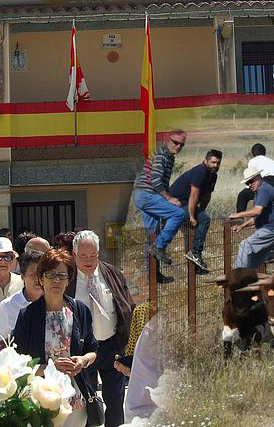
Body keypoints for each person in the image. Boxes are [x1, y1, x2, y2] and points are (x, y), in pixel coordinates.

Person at [12, 248, 98, 427]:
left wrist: (82, 360)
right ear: (41, 279)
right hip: (40, 397)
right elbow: (18, 364)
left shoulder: (80, 311)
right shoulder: (27, 315)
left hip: (75, 397)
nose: (56, 280)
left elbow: (93, 349)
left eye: (62, 275)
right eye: (51, 275)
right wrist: (51, 368)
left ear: (69, 280)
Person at [70, 231, 136, 427]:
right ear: (74, 255)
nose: (89, 261)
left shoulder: (111, 274)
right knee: (87, 401)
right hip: (83, 351)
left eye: (93, 255)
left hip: (111, 345)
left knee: (115, 400)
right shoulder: (68, 279)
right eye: (83, 256)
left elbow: (127, 305)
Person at [133, 130, 187, 283]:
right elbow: (156, 180)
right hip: (147, 194)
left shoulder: (168, 156)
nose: (178, 146)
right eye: (175, 142)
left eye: (181, 144)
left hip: (143, 195)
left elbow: (162, 182)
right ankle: (159, 247)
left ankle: (153, 275)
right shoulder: (162, 154)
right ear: (167, 140)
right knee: (178, 214)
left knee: (152, 234)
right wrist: (169, 199)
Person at [169, 149, 221, 270]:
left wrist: (200, 211)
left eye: (218, 163)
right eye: (213, 162)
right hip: (176, 203)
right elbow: (194, 195)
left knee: (198, 224)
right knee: (205, 220)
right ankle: (195, 252)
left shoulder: (213, 175)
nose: (216, 165)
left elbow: (207, 195)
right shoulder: (200, 172)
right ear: (205, 160)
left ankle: (194, 268)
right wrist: (193, 216)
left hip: (187, 203)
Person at [0, 248, 46, 354]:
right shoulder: (8, 306)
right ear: (23, 276)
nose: (38, 279)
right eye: (32, 275)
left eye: (41, 274)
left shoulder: (55, 303)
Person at [231, 167, 274, 268]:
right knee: (253, 260)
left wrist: (237, 214)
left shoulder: (264, 190)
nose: (250, 185)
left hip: (272, 229)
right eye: (247, 183)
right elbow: (259, 217)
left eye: (251, 181)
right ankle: (249, 278)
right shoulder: (262, 190)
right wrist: (242, 226)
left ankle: (238, 277)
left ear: (259, 177)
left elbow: (257, 211)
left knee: (245, 246)